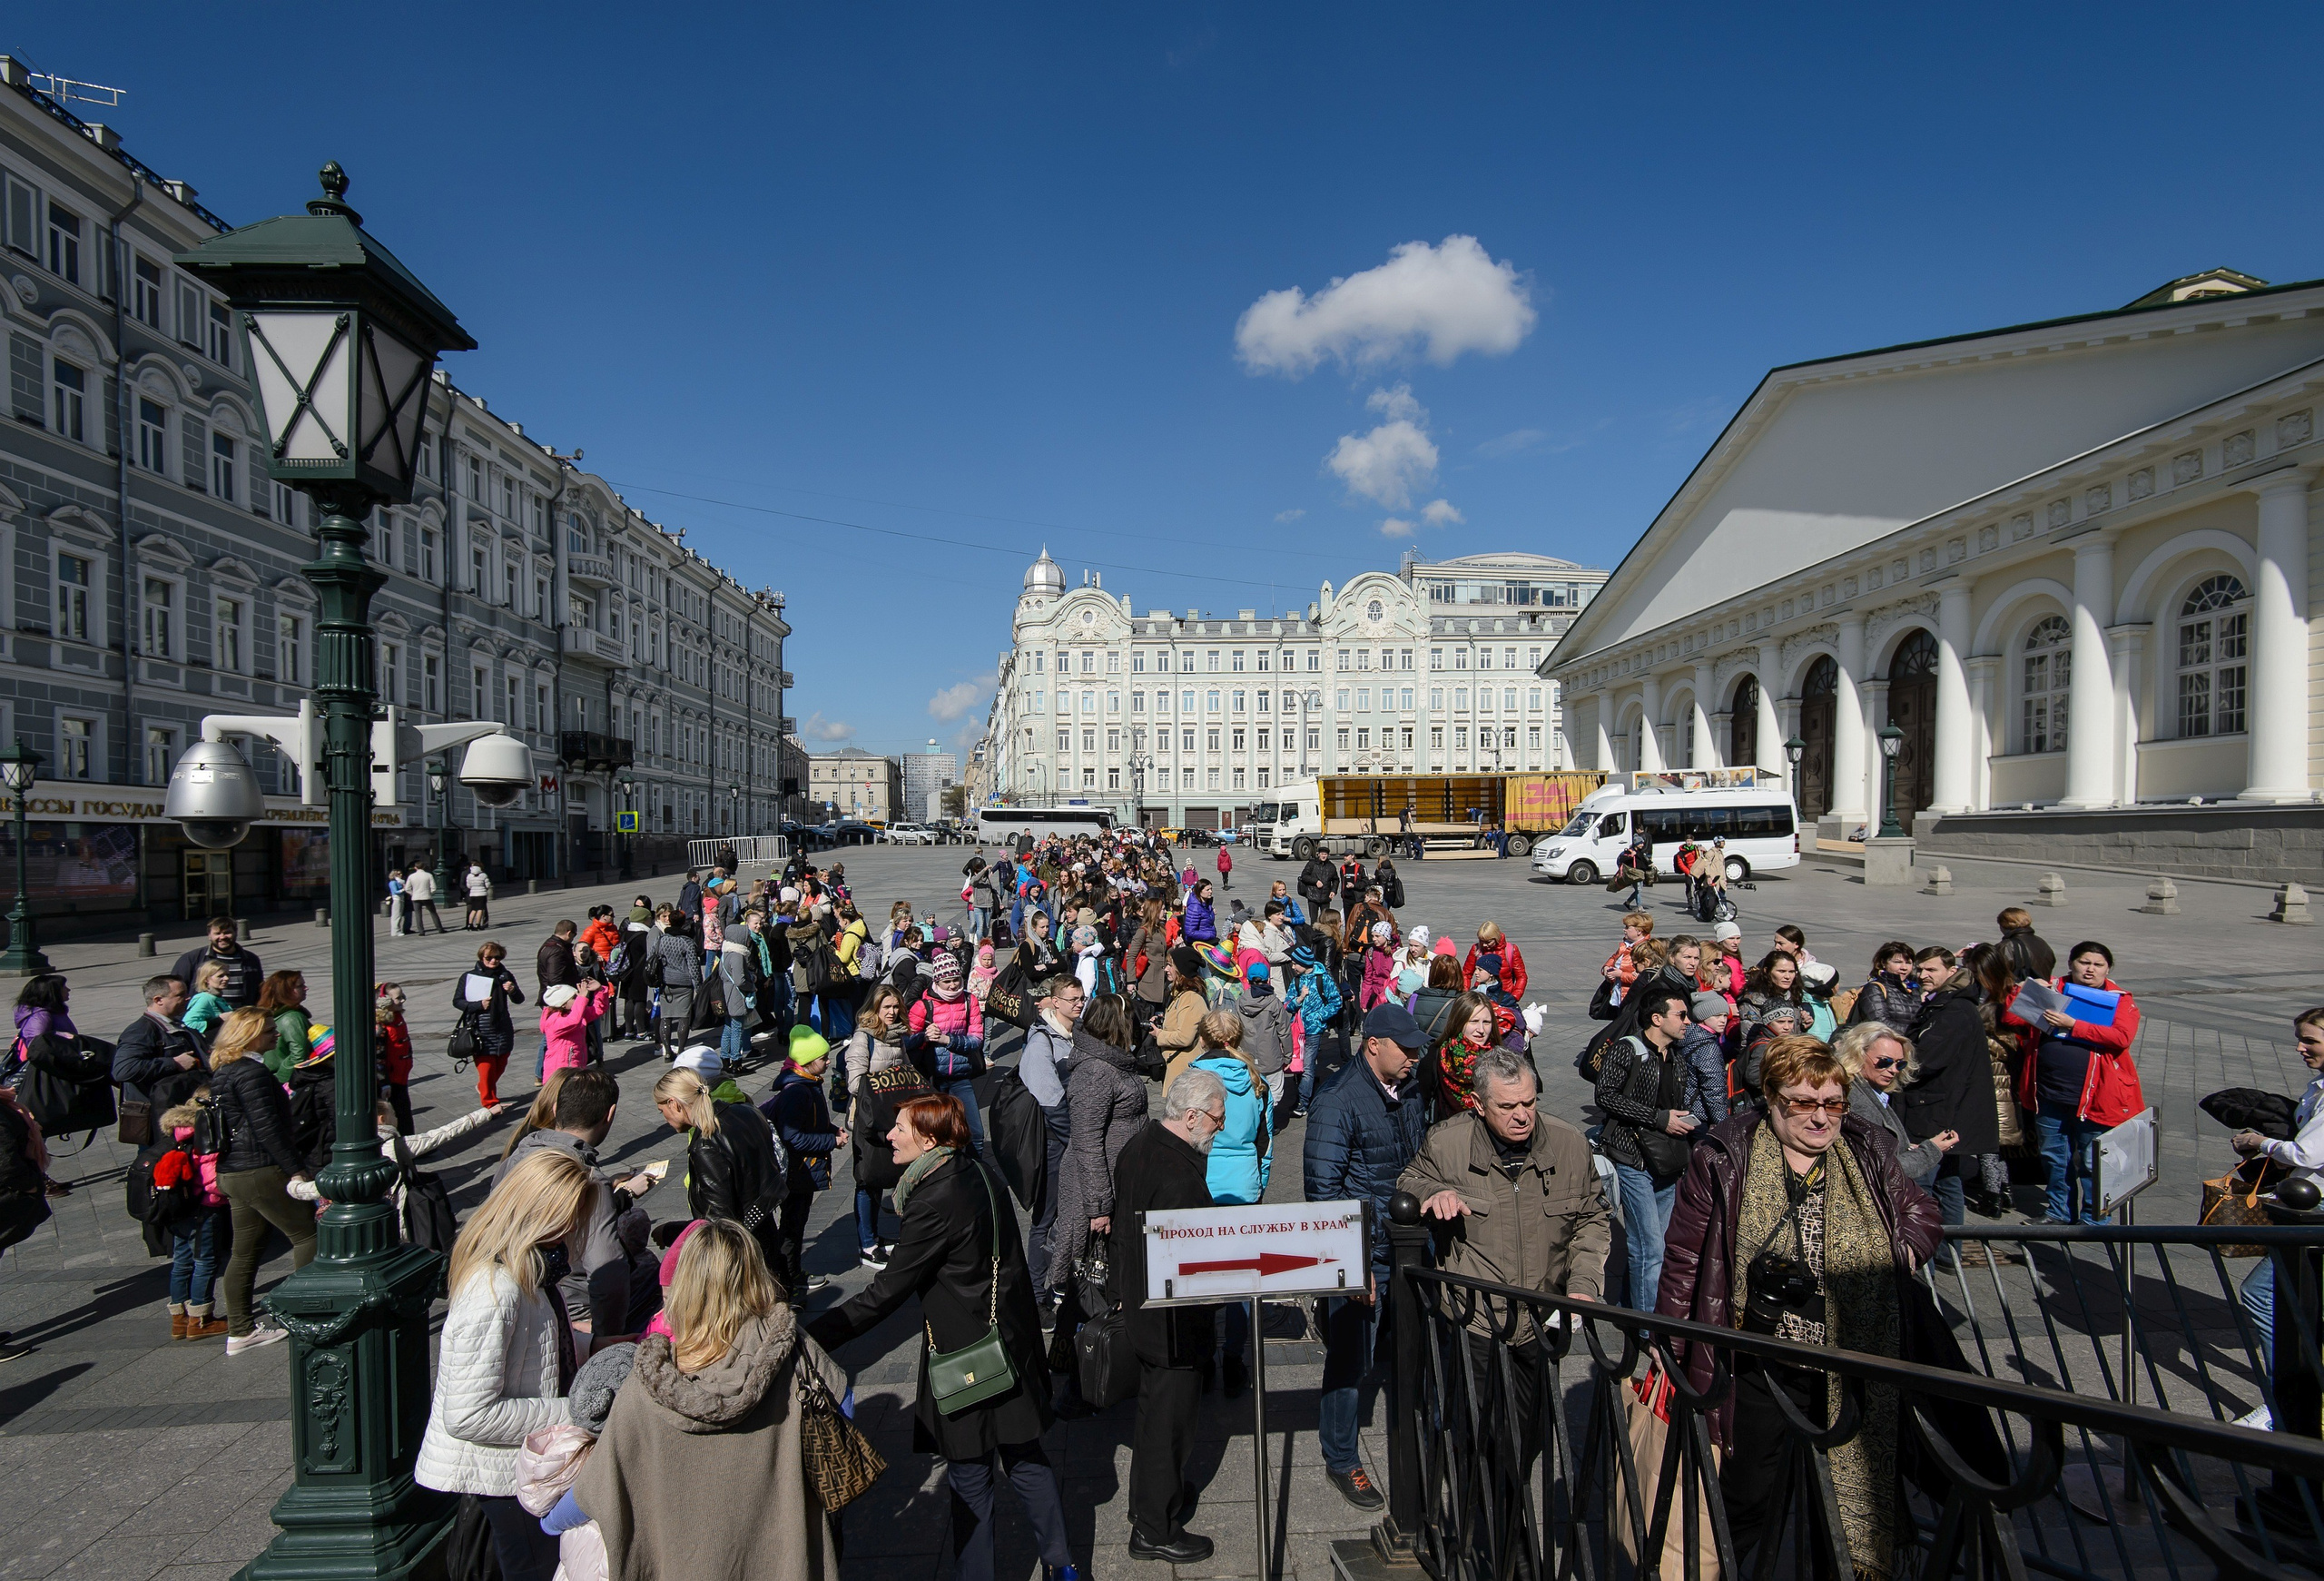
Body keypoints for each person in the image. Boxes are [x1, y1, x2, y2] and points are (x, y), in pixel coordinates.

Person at [1656, 1035, 1944, 1577]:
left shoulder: (1866, 1148)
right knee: (1747, 1499)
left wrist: (1905, 1248)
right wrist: (1672, 1350)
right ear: (1770, 1098)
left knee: (1837, 1500)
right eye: (1803, 1103)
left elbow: (1918, 1207)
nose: (1821, 1118)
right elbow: (1684, 1257)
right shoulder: (1725, 1154)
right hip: (1760, 1361)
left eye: (1832, 1103)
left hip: (1852, 1358)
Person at [808, 1094, 1077, 1581]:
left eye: (901, 1129)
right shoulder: (978, 1172)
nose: (890, 1136)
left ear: (929, 1140)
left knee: (971, 1477)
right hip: (1009, 1341)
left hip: (966, 1354)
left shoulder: (931, 1199)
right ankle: (1064, 1566)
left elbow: (887, 1292)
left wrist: (813, 1335)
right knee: (1026, 1457)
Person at [575, 1220, 849, 1580]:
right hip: (785, 1561)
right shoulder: (796, 1352)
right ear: (755, 1276)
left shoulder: (646, 1386)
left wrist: (549, 1519)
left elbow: (598, 1490)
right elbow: (844, 1408)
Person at [1403, 1047, 1609, 1521]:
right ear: (1478, 1104)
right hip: (1476, 1322)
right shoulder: (1447, 1142)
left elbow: (1592, 1219)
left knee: (1530, 1438)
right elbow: (1408, 1180)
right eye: (1507, 1107)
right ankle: (1496, 1539)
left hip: (1541, 1321)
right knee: (1481, 1437)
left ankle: (1499, 1524)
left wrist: (1583, 1284)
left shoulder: (1569, 1144)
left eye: (1529, 1103)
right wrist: (1433, 1193)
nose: (1522, 1116)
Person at [417, 1149, 596, 1581]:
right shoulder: (495, 1290)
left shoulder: (525, 1271)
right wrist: (577, 1412)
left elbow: (534, 1352)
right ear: (539, 1215)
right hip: (504, 1475)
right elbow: (468, 1414)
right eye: (568, 1220)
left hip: (520, 1467)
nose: (573, 1233)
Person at [1302, 1003, 1432, 1511]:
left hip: (1409, 1247)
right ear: (1373, 1044)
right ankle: (1341, 1458)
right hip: (1365, 1254)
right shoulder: (1337, 1100)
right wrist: (1350, 1264)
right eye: (1407, 1048)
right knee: (1350, 1360)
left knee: (1409, 1347)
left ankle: (1415, 1432)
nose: (1415, 1057)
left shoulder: (1412, 1088)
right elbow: (1323, 1190)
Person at [1111, 1069, 1226, 1562]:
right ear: (1193, 1116)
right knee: (1169, 1424)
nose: (1219, 1131)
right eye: (1217, 1122)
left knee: (1153, 1415)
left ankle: (1153, 1500)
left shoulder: (1142, 1143)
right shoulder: (1181, 1175)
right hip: (1172, 1323)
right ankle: (1155, 1528)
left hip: (1142, 1306)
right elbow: (1192, 1268)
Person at [495, 1066, 660, 1342]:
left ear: (558, 1106)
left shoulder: (515, 1159)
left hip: (514, 1294)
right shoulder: (590, 1180)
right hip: (570, 1307)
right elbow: (607, 1272)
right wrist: (604, 1339)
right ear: (610, 1114)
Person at [205, 1009, 316, 1354]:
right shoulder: (252, 1073)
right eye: (268, 1030)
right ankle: (309, 1318)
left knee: (245, 1251)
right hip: (259, 1169)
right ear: (249, 1034)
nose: (276, 1035)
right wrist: (296, 1168)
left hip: (234, 1171)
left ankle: (240, 1330)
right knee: (308, 1235)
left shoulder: (224, 1071)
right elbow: (267, 1127)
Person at [2012, 939, 2142, 1225]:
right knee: (2054, 1158)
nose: (2090, 970)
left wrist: (2073, 1026)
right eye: (2085, 962)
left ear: (2108, 969)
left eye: (2098, 965)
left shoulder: (2120, 999)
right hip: (2049, 1094)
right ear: (2071, 963)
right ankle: (2059, 1211)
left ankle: (2095, 1217)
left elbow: (2121, 1037)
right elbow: (2012, 1020)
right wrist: (2022, 992)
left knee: (2093, 1160)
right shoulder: (2053, 989)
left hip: (2097, 1098)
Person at [1595, 983, 1697, 1309]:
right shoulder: (1629, 1049)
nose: (1687, 1022)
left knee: (1659, 1246)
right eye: (1680, 1015)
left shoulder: (1677, 1057)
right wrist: (1657, 1118)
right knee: (1648, 1246)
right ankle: (1646, 1329)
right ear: (1656, 1018)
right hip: (1632, 1157)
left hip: (1667, 1161)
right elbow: (1605, 1095)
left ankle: (1632, 1304)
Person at [2230, 1007, 2324, 1353]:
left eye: (2310, 1040)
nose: (2301, 1047)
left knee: (2260, 1293)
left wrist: (2260, 1143)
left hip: (2315, 1205)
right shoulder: (2318, 1085)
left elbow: (2307, 1154)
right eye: (2299, 1039)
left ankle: (2283, 1398)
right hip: (2308, 1198)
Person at [1048, 992, 1147, 1303]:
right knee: (1083, 1269)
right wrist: (1099, 1207)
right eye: (1129, 1020)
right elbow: (1086, 1143)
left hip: (1115, 1179)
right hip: (1093, 1188)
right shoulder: (1095, 1072)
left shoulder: (1113, 1061)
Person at [1892, 945, 2001, 1230]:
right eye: (1921, 969)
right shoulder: (1949, 1003)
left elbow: (1926, 1058)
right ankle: (1948, 1253)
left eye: (1931, 970)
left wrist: (1893, 1065)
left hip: (1935, 1109)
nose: (1923, 975)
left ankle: (1925, 1257)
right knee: (1947, 1181)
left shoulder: (1954, 1010)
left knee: (1923, 1186)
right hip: (1941, 1107)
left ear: (1951, 972)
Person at [1192, 1013, 1271, 1397]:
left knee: (1202, 1276)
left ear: (1204, 1039)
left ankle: (1203, 1358)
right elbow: (1264, 1143)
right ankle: (1234, 1357)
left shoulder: (1191, 1079)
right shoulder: (1257, 1081)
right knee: (1243, 1279)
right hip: (1243, 1185)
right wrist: (1260, 1184)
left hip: (1202, 1183)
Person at [654, 1067, 787, 1271]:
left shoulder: (706, 1145)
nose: (664, 1119)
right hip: (766, 1233)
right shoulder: (746, 1111)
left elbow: (719, 1223)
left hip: (741, 1256)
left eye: (661, 1110)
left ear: (674, 1104)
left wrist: (674, 1233)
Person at [766, 1027, 847, 1295]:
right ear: (808, 1062)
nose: (827, 1061)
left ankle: (789, 1272)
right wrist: (830, 1142)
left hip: (801, 1170)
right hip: (797, 1172)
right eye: (823, 1058)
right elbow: (794, 1138)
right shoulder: (798, 1092)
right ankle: (789, 1277)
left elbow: (809, 1125)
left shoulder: (807, 1083)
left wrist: (830, 1130)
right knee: (792, 1226)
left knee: (795, 1223)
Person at [1016, 975, 1079, 1301]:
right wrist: (1075, 1142)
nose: (1080, 1003)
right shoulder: (1042, 1041)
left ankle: (1059, 1281)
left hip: (1066, 1138)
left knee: (1064, 1214)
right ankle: (1036, 1295)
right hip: (1053, 1142)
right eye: (1073, 999)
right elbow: (1050, 1100)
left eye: (1081, 997)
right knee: (1045, 1217)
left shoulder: (1073, 1033)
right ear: (1056, 1002)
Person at [844, 983, 915, 1269]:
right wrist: (886, 1086)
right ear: (875, 1008)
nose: (892, 1012)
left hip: (896, 1120)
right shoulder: (864, 1037)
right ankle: (867, 1244)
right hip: (870, 1122)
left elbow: (908, 1070)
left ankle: (883, 1234)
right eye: (886, 1007)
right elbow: (855, 1082)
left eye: (896, 1006)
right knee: (868, 1180)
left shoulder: (899, 1035)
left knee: (898, 1174)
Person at [1835, 1021, 1953, 1186]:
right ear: (1858, 1054)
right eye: (1885, 1062)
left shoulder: (1871, 1091)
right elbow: (1882, 1170)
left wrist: (1907, 1148)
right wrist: (1931, 1150)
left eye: (1900, 1063)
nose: (1894, 1070)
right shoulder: (1857, 1101)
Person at [909, 950, 988, 1151]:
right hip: (933, 1079)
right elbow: (906, 1040)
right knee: (936, 1135)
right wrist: (924, 1036)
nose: (953, 985)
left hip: (961, 1076)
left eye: (956, 979)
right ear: (937, 981)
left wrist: (947, 1040)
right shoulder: (923, 1005)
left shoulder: (970, 1001)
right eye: (947, 981)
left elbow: (976, 1039)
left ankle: (975, 1175)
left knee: (975, 1133)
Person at [112, 974, 207, 1128]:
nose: (188, 998)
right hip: (158, 1117)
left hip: (178, 1110)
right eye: (180, 995)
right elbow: (123, 1069)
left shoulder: (176, 1024)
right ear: (158, 1000)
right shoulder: (140, 1031)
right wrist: (174, 1063)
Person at [454, 942, 526, 1107]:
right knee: (486, 1068)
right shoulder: (469, 977)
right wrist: (478, 1005)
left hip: (502, 1026)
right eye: (489, 958)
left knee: (501, 1063)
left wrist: (512, 990)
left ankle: (483, 1088)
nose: (493, 961)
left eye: (498, 958)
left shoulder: (505, 975)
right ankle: (490, 1103)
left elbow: (519, 999)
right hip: (481, 1028)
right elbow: (457, 1001)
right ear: (481, 957)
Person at [169, 917, 264, 1011]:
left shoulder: (251, 959)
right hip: (205, 1021)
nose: (222, 937)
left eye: (227, 933)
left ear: (235, 933)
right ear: (209, 935)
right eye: (217, 933)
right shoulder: (193, 959)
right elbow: (174, 989)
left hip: (241, 1019)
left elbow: (259, 991)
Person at [1678, 991, 1733, 1133]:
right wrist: (1723, 1125)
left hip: (1686, 1111)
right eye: (1716, 1016)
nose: (1723, 1020)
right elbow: (1713, 1089)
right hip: (1701, 1116)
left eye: (1725, 1015)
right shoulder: (1707, 1047)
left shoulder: (1688, 1037)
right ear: (1702, 1017)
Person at [649, 907, 700, 1062]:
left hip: (666, 982)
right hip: (684, 983)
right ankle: (681, 1049)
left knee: (666, 1017)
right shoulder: (688, 942)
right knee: (684, 1017)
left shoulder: (661, 940)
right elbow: (693, 967)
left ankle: (667, 1051)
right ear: (683, 923)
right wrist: (698, 985)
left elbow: (652, 957)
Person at [539, 978, 611, 1084]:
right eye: (574, 997)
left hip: (576, 1066)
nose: (577, 998)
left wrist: (599, 990)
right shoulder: (553, 1020)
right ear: (562, 1004)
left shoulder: (574, 1012)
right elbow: (573, 1021)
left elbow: (599, 1009)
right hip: (559, 1073)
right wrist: (582, 998)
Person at [1850, 941, 1923, 1036]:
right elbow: (1880, 1023)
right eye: (1897, 962)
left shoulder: (1914, 988)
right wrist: (1916, 1032)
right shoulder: (1875, 988)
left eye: (1908, 963)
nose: (1904, 967)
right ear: (1883, 963)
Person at [253, 971, 313, 1082]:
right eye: (300, 986)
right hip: (287, 1081)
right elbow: (299, 1055)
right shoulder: (292, 1018)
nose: (306, 988)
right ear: (285, 991)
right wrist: (281, 1079)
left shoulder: (269, 1015)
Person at [406, 861, 447, 934]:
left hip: (416, 897)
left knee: (418, 914)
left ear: (415, 868)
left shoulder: (411, 876)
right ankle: (440, 928)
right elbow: (434, 887)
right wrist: (430, 893)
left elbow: (407, 888)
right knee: (433, 912)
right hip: (426, 896)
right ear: (424, 867)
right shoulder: (428, 875)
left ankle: (421, 931)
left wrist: (412, 893)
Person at [1182, 878, 1218, 944]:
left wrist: (1211, 913)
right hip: (1198, 944)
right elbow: (1190, 931)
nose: (1210, 892)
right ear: (1200, 891)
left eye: (1211, 889)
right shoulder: (1195, 907)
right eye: (1207, 890)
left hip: (1208, 940)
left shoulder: (1207, 904)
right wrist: (1209, 935)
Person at [462, 860, 493, 929]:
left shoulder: (469, 876)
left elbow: (468, 886)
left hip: (473, 894)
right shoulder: (483, 875)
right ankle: (477, 924)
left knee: (473, 909)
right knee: (480, 909)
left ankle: (470, 924)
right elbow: (487, 885)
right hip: (481, 894)